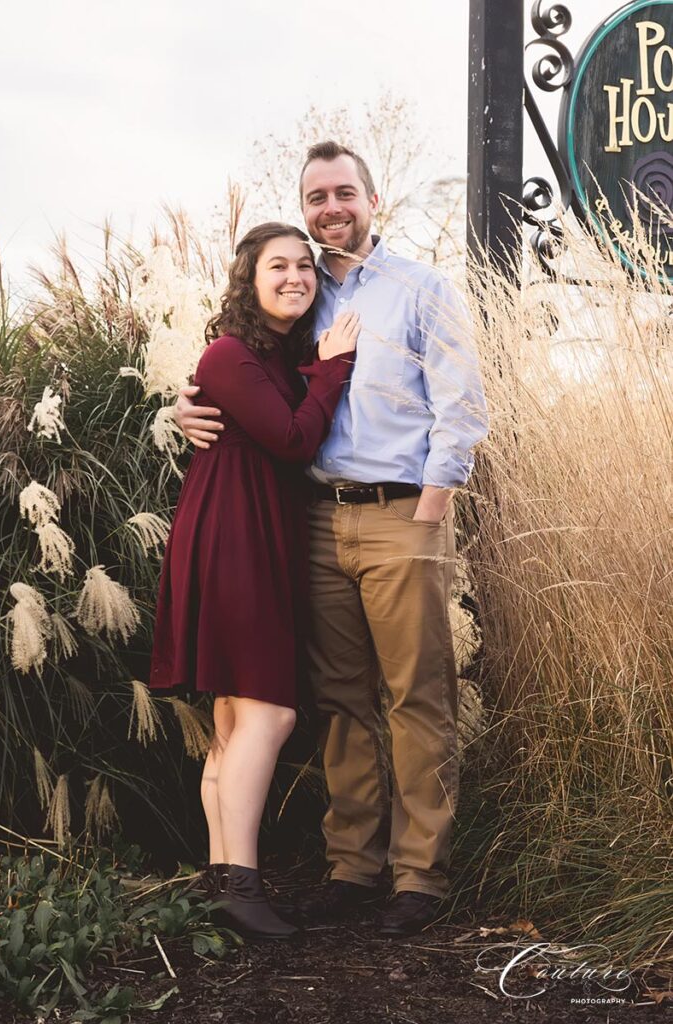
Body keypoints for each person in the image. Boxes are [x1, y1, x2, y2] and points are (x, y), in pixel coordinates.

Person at [174, 142, 489, 938]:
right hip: (312, 521)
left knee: (416, 698)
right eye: (316, 196)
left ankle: (419, 877)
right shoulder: (301, 292)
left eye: (343, 191)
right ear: (306, 208)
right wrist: (182, 408)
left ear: (372, 199)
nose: (329, 208)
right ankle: (353, 866)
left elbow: (460, 408)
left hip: (398, 515)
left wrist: (429, 509)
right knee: (340, 703)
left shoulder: (421, 289)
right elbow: (238, 372)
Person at [149, 221, 359, 940]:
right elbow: (294, 438)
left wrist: (317, 366)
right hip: (234, 539)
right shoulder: (230, 351)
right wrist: (333, 369)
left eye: (305, 266)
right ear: (250, 278)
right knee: (270, 715)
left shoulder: (272, 354)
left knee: (238, 720)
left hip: (256, 533)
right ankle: (241, 883)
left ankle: (222, 879)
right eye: (279, 266)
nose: (296, 276)